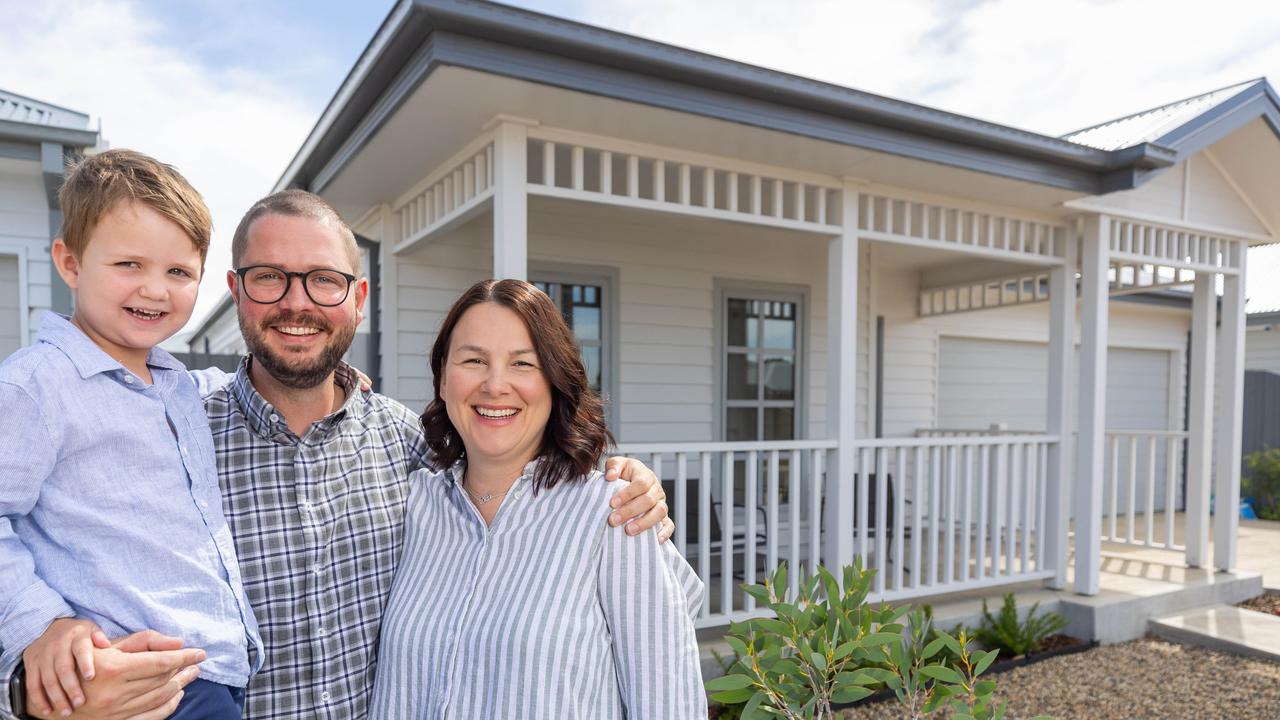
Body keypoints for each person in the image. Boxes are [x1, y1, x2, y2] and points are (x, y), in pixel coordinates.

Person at [7, 190, 673, 720]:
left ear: (357, 298)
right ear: (237, 291)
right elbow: (53, 548)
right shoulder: (172, 433)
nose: (298, 304)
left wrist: (625, 478)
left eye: (324, 281)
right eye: (271, 278)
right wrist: (32, 665)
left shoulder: (411, 448)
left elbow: (505, 482)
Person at [0, 150, 262, 720]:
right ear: (69, 264)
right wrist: (41, 624)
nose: (155, 290)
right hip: (131, 684)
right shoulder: (37, 385)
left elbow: (228, 380)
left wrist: (339, 378)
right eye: (129, 265)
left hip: (210, 669)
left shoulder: (175, 384)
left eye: (177, 272)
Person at [369, 279, 706, 718]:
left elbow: (668, 701)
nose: (495, 385)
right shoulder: (413, 503)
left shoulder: (614, 513)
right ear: (442, 378)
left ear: (555, 381)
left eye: (523, 364)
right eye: (473, 360)